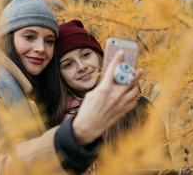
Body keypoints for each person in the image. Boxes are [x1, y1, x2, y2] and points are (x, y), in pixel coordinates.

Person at [0, 0, 143, 175]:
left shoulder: (33, 92)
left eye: (49, 41)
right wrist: (77, 132)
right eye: (29, 37)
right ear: (5, 39)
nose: (41, 48)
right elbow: (6, 164)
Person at [57, 19, 150, 150]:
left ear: (99, 57)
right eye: (68, 64)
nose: (82, 67)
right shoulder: (56, 123)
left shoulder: (136, 107)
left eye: (85, 55)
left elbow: (161, 165)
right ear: (59, 76)